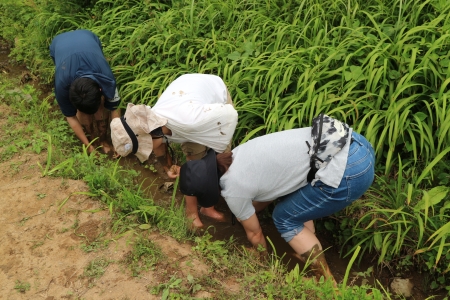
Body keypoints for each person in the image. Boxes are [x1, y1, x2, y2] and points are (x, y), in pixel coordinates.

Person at [179, 117, 375, 283]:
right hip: (355, 144)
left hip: (348, 171)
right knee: (294, 203)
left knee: (283, 217)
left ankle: (326, 282)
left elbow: (255, 234)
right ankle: (304, 251)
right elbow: (266, 193)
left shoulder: (233, 189)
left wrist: (261, 255)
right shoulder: (238, 154)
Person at [110, 74, 238, 229]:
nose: (150, 150)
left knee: (219, 162)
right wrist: (167, 167)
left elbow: (230, 115)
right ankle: (195, 212)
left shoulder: (190, 121)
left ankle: (209, 205)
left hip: (215, 100)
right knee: (194, 162)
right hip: (186, 98)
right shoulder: (154, 125)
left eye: (147, 146)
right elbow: (159, 147)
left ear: (152, 134)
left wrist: (215, 156)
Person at [50, 29, 121, 154]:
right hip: (59, 44)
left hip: (88, 37)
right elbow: (70, 116)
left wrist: (118, 141)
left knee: (100, 108)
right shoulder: (61, 85)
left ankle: (103, 139)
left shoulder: (107, 78)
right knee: (83, 111)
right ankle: (91, 139)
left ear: (100, 89)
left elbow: (115, 106)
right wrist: (88, 146)